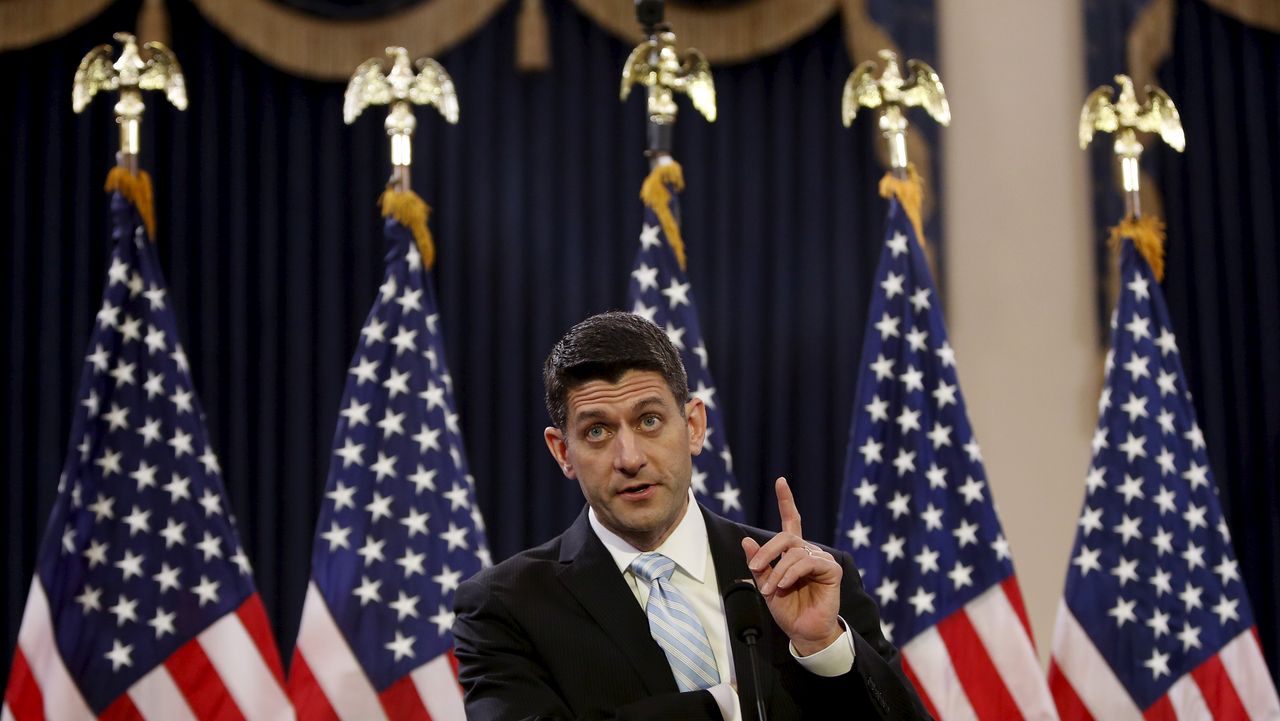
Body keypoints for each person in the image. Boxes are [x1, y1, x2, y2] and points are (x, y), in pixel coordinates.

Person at [453, 312, 931, 720]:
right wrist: (723, 706)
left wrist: (824, 647)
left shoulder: (809, 578)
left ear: (695, 426)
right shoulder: (506, 605)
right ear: (563, 452)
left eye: (649, 421)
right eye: (597, 431)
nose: (629, 457)